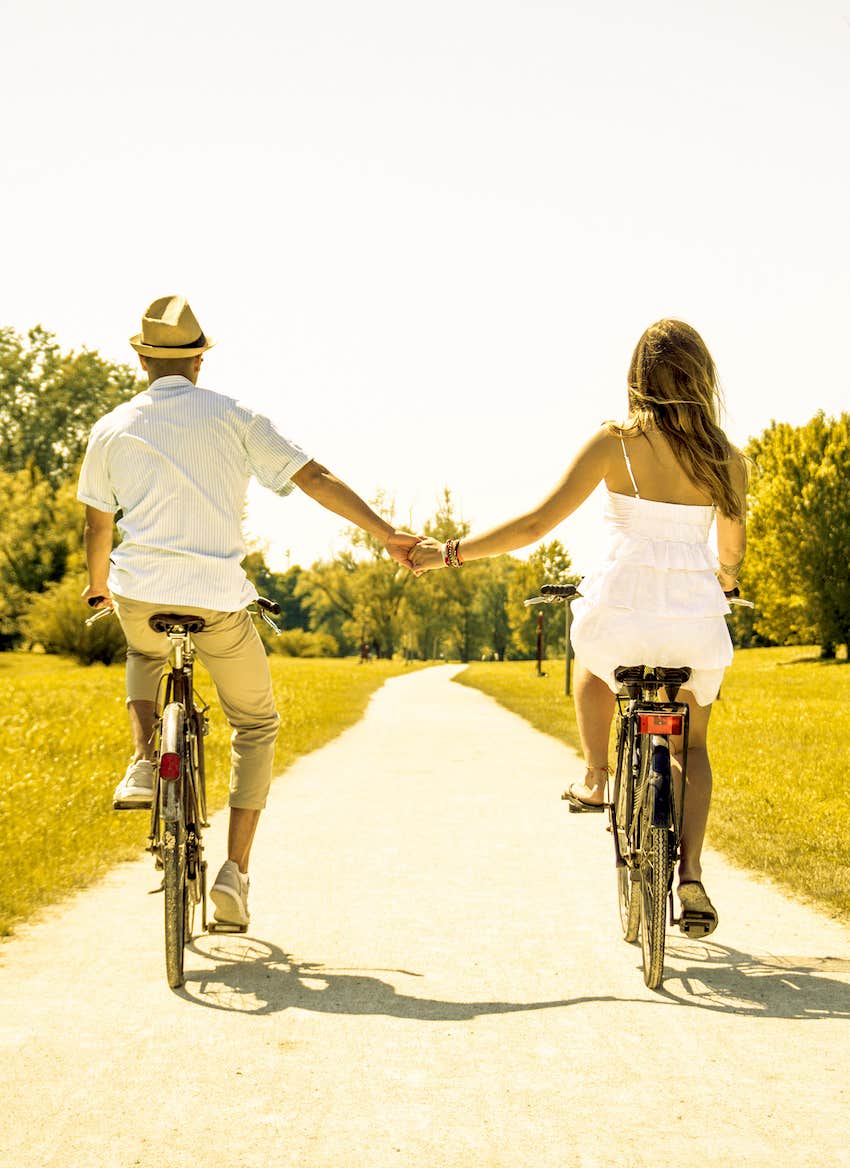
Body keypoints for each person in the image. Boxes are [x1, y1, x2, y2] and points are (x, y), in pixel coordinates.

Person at [77, 294, 419, 928]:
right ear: (200, 359)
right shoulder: (236, 418)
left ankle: (147, 762)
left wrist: (99, 585)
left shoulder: (110, 427)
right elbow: (312, 478)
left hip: (141, 592)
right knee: (254, 725)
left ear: (142, 359)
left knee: (142, 651)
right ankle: (233, 875)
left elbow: (100, 528)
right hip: (219, 602)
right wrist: (385, 530)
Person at [411, 319, 747, 935]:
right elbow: (731, 555)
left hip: (622, 612)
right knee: (691, 744)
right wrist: (722, 583)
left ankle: (597, 775)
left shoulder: (615, 443)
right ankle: (692, 876)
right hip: (693, 625)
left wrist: (450, 552)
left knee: (593, 661)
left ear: (637, 378)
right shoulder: (728, 460)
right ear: (703, 378)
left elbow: (536, 525)